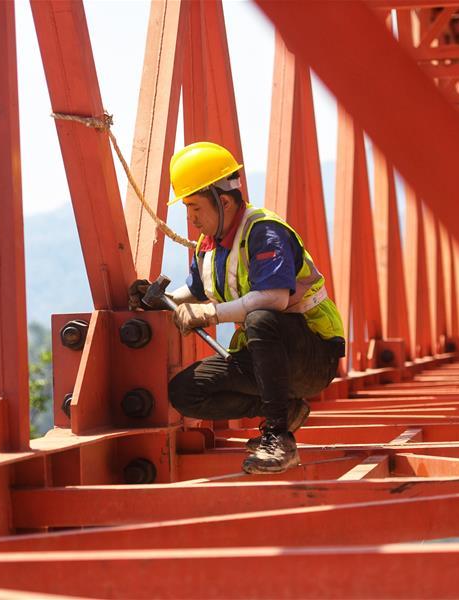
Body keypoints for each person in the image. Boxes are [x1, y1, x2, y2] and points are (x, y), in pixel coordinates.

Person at [129, 141, 345, 474]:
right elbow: (197, 292)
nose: (191, 219)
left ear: (224, 201)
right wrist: (159, 301)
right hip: (269, 360)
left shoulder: (264, 232)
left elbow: (273, 299)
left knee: (261, 319)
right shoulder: (209, 247)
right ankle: (284, 407)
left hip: (312, 355)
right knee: (185, 392)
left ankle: (278, 439)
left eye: (196, 208)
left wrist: (210, 314)